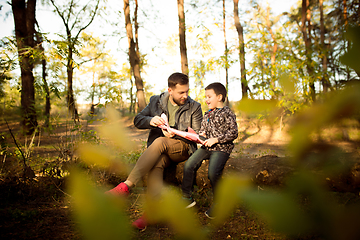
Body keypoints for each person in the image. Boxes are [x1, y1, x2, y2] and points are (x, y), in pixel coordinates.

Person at [106, 72, 203, 230]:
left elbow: (198, 135)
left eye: (187, 91)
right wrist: (151, 120)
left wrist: (177, 132)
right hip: (160, 150)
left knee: (159, 142)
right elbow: (138, 120)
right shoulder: (155, 101)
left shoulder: (194, 107)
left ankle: (126, 186)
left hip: (183, 148)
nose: (185, 95)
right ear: (170, 90)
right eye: (181, 92)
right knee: (156, 162)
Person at [181, 82, 238, 219]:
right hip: (207, 147)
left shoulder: (227, 112)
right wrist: (198, 135)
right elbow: (203, 131)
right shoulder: (207, 114)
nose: (206, 100)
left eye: (209, 97)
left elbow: (233, 133)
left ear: (219, 97)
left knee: (213, 173)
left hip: (221, 148)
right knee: (189, 164)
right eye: (205, 97)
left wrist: (216, 139)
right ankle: (186, 197)